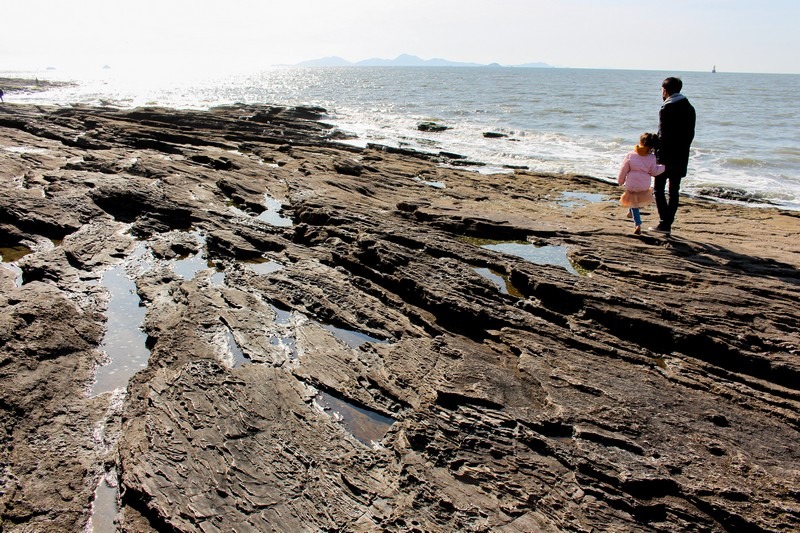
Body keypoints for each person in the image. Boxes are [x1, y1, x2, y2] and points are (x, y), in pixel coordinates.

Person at [650, 77, 696, 235]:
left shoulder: (667, 108)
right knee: (674, 191)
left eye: (662, 89)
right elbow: (690, 135)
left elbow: (663, 136)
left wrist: (654, 150)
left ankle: (664, 223)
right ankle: (667, 223)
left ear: (665, 90)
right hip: (682, 156)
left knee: (658, 190)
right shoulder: (689, 108)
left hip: (666, 157)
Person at [618, 133, 665, 234]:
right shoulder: (652, 157)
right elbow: (654, 172)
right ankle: (630, 212)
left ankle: (637, 224)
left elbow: (623, 170)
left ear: (640, 142)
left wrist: (620, 181)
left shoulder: (631, 155)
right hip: (644, 184)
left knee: (634, 202)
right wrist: (664, 167)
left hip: (631, 183)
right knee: (635, 200)